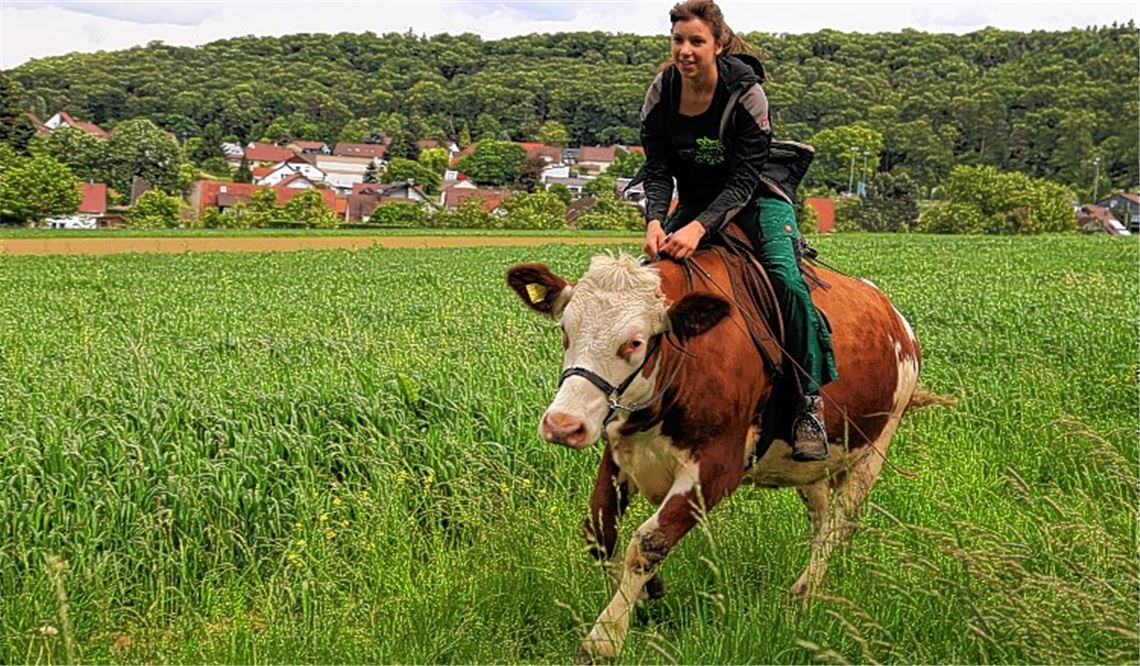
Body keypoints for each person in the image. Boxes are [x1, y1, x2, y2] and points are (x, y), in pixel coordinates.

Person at [630, 0, 838, 461]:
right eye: (678, 40)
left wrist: (700, 229)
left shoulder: (746, 94)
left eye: (696, 41)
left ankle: (807, 404)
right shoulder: (661, 91)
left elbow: (745, 179)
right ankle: (643, 392)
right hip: (697, 201)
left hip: (757, 198)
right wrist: (656, 220)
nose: (685, 50)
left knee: (786, 280)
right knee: (647, 278)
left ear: (718, 44)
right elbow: (659, 168)